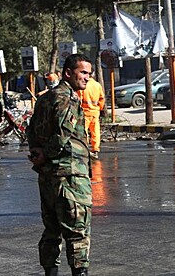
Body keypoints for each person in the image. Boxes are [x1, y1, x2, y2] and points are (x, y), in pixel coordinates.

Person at [26, 54, 92, 276]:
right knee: (77, 231)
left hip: (48, 177)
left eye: (89, 74)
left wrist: (37, 152)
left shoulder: (45, 98)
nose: (87, 78)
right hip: (70, 174)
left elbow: (31, 130)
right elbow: (63, 134)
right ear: (67, 73)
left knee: (52, 230)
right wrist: (45, 154)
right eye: (83, 72)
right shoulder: (68, 98)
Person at [78, 72, 105, 159]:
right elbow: (102, 98)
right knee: (95, 131)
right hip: (95, 112)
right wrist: (99, 108)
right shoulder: (97, 85)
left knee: (84, 131)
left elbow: (79, 99)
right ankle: (95, 149)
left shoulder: (83, 86)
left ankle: (84, 149)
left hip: (85, 112)